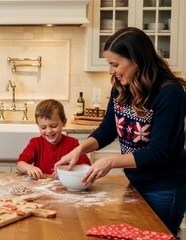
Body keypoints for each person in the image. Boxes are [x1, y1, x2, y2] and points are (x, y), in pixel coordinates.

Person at [55, 27, 186, 235]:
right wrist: (79, 150)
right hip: (134, 183)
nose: (110, 71)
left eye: (115, 64)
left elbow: (159, 151)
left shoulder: (170, 93)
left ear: (136, 59)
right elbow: (108, 129)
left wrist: (111, 161)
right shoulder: (121, 87)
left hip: (164, 188)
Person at [17, 99, 90, 179]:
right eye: (43, 127)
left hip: (65, 186)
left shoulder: (72, 144)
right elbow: (20, 164)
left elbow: (86, 166)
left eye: (53, 126)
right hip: (40, 187)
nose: (48, 131)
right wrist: (29, 168)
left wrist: (68, 170)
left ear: (64, 123)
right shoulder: (35, 143)